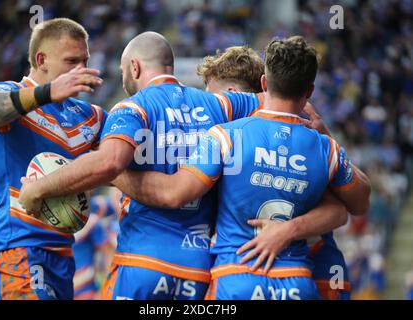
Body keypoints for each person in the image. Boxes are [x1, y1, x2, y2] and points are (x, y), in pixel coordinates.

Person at [18, 32, 346, 300]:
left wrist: (39, 188)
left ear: (133, 67)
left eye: (122, 72)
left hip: (143, 262)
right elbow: (283, 98)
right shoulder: (221, 106)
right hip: (199, 271)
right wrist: (319, 129)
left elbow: (109, 163)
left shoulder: (131, 108)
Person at [111, 36, 371, 300]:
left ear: (258, 87)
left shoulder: (225, 138)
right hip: (305, 279)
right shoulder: (322, 146)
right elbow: (346, 208)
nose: (208, 111)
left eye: (215, 98)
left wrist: (111, 168)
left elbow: (175, 192)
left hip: (241, 277)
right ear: (309, 90)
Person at [0, 18, 106, 300]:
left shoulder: (90, 116)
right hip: (17, 250)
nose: (81, 70)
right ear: (42, 60)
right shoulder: (10, 93)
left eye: (85, 60)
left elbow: (116, 163)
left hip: (63, 257)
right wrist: (45, 94)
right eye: (71, 61)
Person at [197, 45, 354, 300]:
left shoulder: (232, 139)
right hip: (297, 278)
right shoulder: (305, 135)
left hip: (297, 272)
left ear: (231, 94)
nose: (208, 113)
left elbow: (341, 209)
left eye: (213, 99)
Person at [73, 195, 116, 300]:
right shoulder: (42, 221)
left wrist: (105, 292)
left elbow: (109, 258)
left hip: (86, 292)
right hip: (58, 291)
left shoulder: (92, 221)